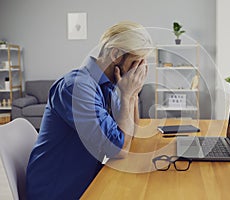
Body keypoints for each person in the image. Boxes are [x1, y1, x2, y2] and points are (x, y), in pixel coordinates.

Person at [26, 21, 153, 199]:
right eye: (135, 63)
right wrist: (126, 96)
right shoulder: (77, 88)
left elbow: (132, 135)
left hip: (86, 181)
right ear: (116, 54)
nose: (138, 71)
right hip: (57, 192)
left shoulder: (109, 86)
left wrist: (132, 94)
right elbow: (120, 150)